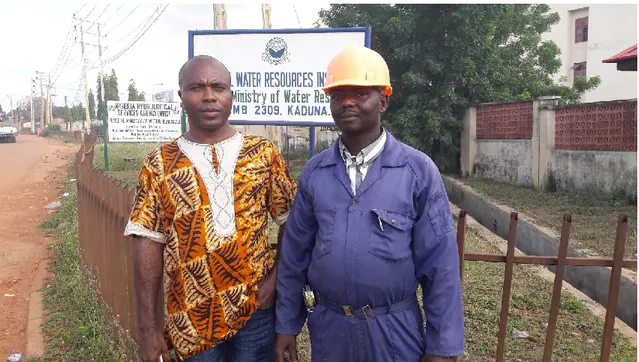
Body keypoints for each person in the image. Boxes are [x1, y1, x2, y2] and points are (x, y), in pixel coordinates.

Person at [274, 45, 465, 362]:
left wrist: (441, 349)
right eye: (338, 95)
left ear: (384, 101)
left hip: (394, 331)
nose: (347, 102)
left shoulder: (417, 172)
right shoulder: (315, 173)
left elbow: (441, 268)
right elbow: (294, 257)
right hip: (330, 330)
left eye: (360, 93)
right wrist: (286, 325)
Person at [124, 55, 297, 362]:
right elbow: (147, 243)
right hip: (191, 316)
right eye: (196, 87)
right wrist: (148, 330)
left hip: (255, 310)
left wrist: (273, 280)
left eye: (218, 86)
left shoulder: (262, 153)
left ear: (231, 94)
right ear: (181, 96)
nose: (209, 95)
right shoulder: (159, 164)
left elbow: (291, 220)